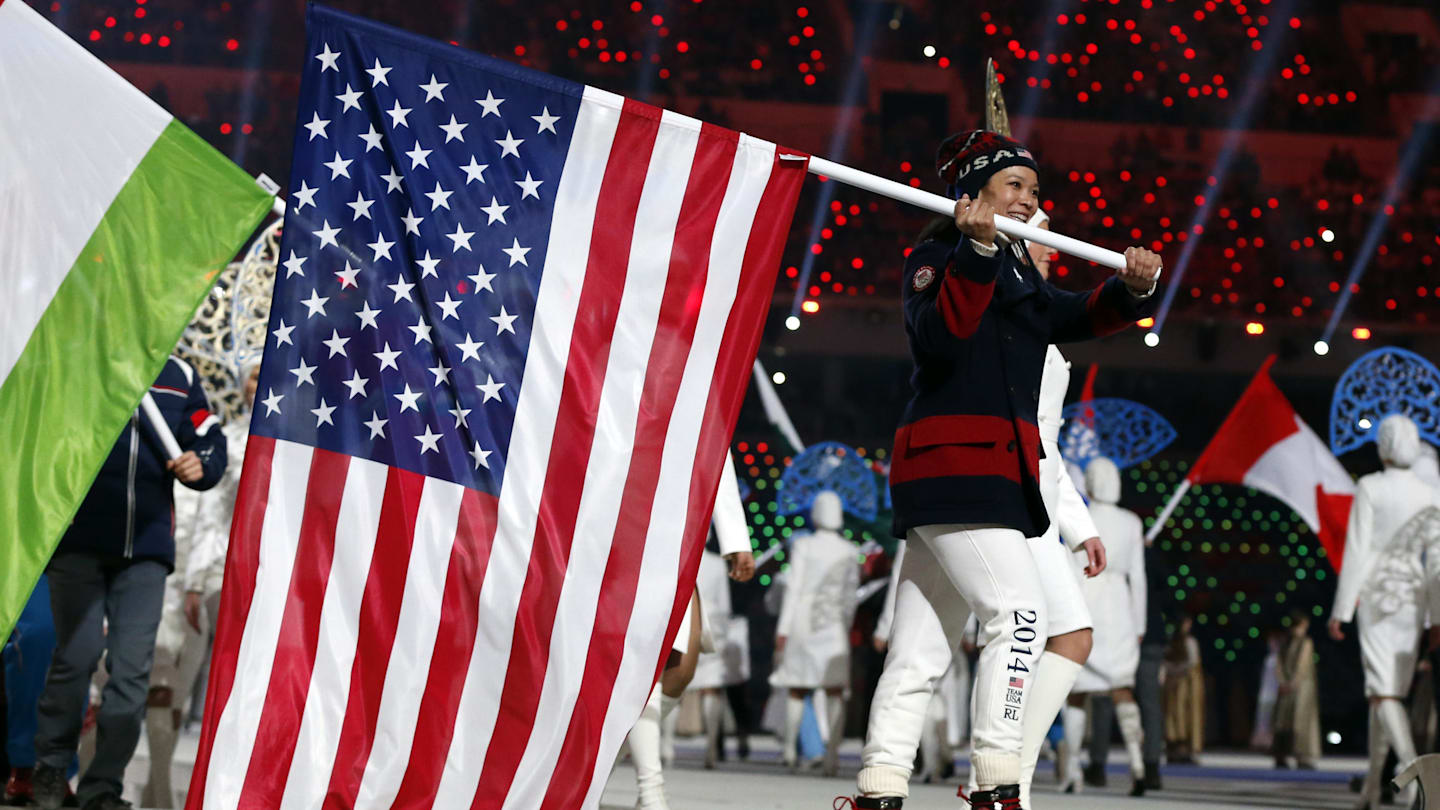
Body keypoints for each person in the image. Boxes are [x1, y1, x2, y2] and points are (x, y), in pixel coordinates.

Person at [850, 129, 1161, 810]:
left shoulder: (1014, 267)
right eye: (1015, 185)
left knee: (922, 649)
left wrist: (1132, 290)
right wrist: (981, 250)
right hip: (957, 466)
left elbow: (1073, 314)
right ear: (974, 192)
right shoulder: (937, 256)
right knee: (1021, 615)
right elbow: (941, 339)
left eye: (1035, 190)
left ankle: (879, 786)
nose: (1029, 200)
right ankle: (996, 782)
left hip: (980, 473)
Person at [32, 356, 227, 810]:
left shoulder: (178, 374)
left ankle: (103, 788)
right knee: (75, 659)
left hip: (146, 552)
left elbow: (210, 438)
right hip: (77, 541)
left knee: (132, 674)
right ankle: (51, 768)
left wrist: (203, 462)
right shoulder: (81, 355)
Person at [141, 364, 258, 808]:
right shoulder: (224, 442)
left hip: (257, 575)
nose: (256, 383)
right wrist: (191, 582)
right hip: (203, 576)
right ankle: (159, 795)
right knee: (169, 685)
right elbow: (206, 514)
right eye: (250, 375)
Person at [626, 453, 754, 810]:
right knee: (640, 669)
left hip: (675, 528)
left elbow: (714, 440)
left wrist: (734, 536)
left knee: (680, 670)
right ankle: (651, 792)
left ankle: (599, 766)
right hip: (617, 515)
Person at [1329, 414, 1439, 809]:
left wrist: (1341, 608)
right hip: (1413, 600)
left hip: (1377, 598)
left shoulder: (1370, 487)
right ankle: (1372, 788)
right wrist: (1434, 616)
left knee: (1383, 693)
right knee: (1387, 694)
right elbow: (1436, 561)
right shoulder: (1430, 493)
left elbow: (1357, 551)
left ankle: (1414, 774)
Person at [1058, 457, 1148, 797]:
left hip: (1086, 600)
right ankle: (1137, 763)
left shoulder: (1080, 517)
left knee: (1077, 691)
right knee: (1122, 687)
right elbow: (1138, 578)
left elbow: (1068, 567)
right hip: (1121, 609)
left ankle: (1072, 772)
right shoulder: (1132, 522)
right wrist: (1138, 622)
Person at [772, 490, 860, 777]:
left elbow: (793, 589)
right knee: (835, 689)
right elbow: (850, 597)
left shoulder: (804, 545)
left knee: (797, 688)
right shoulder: (850, 550)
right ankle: (832, 755)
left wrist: (783, 629)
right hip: (833, 624)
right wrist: (844, 626)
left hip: (802, 622)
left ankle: (788, 750)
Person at [1272, 612, 1320, 770]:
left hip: (1300, 687)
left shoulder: (1303, 642)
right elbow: (1281, 664)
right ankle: (1283, 754)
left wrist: (1290, 682)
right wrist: (1284, 682)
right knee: (1285, 720)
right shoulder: (1288, 642)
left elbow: (1301, 666)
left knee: (1299, 721)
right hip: (1293, 687)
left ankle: (1301, 755)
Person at [1162, 617, 1204, 764]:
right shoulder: (1171, 641)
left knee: (1188, 715)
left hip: (1187, 684)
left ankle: (1186, 749)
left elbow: (1192, 663)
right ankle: (1174, 748)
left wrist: (1177, 672)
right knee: (1172, 715)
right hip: (1173, 685)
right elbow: (1165, 661)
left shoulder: (1190, 642)